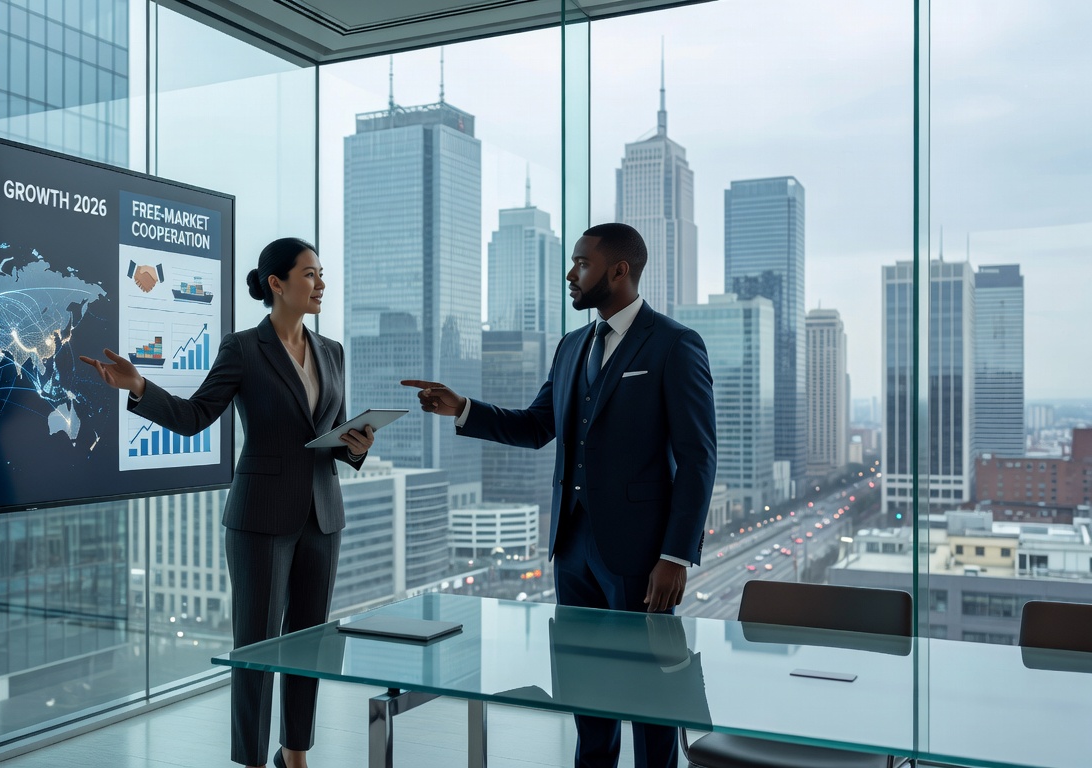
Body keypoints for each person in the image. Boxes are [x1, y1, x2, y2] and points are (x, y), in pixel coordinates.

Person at [403, 222, 716, 768]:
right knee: (585, 688)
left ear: (619, 270)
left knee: (653, 695)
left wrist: (676, 554)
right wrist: (463, 409)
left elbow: (698, 457)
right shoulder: (572, 346)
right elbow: (536, 426)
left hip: (642, 552)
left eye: (582, 264)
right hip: (571, 547)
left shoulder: (674, 343)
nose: (571, 275)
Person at [81, 238, 372, 768]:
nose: (321, 284)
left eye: (321, 273)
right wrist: (140, 386)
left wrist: (356, 445)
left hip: (323, 515)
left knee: (310, 644)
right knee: (256, 648)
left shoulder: (332, 351)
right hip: (261, 517)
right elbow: (195, 416)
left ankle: (295, 754)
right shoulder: (243, 349)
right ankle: (252, 760)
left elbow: (332, 433)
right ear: (276, 284)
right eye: (310, 274)